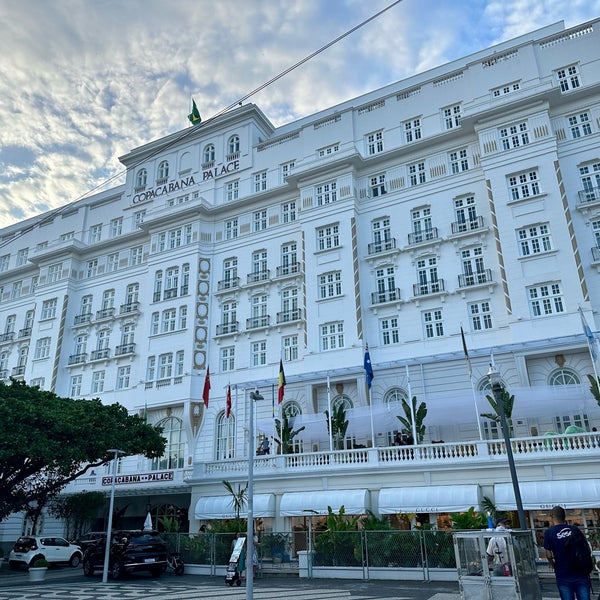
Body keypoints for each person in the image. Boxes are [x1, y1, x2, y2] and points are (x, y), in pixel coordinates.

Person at [544, 505, 592, 600]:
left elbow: (548, 555)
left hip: (563, 573)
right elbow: (587, 549)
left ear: (552, 517)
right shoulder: (575, 529)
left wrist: (554, 565)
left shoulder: (549, 532)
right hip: (580, 572)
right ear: (564, 516)